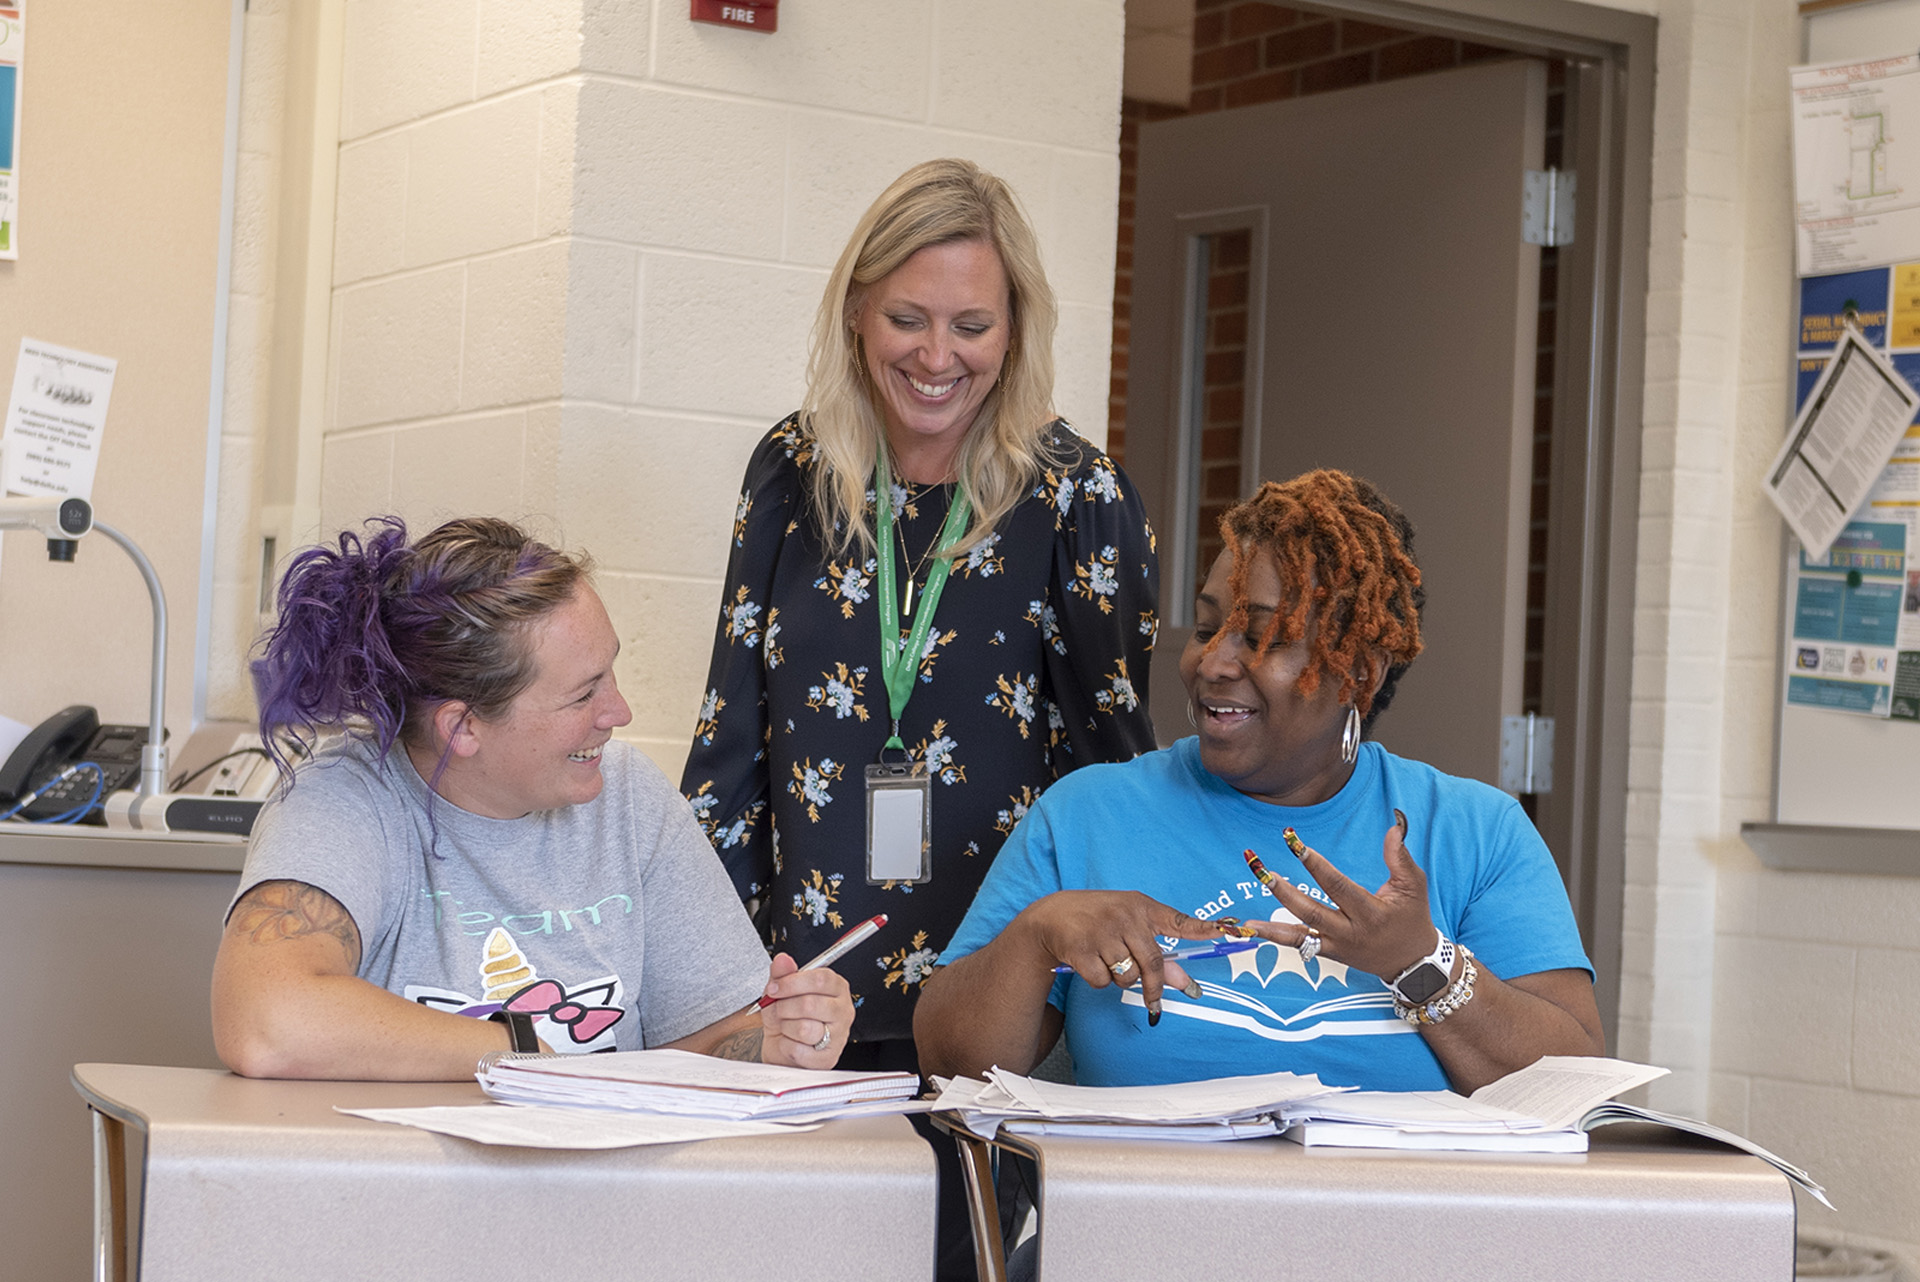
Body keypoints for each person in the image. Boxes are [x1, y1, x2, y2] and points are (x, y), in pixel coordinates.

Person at [680, 158, 1158, 1276]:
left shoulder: (1078, 499)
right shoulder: (790, 471)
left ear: (1016, 328)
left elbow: (1113, 773)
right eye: (907, 317)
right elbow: (730, 747)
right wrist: (715, 998)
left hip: (994, 1016)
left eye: (971, 325)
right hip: (805, 1007)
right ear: (856, 310)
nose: (937, 357)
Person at [915, 470, 1606, 1098]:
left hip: (1394, 1230)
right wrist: (1036, 937)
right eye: (1209, 627)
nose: (1213, 663)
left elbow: (1571, 1087)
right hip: (1144, 1224)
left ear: (1358, 672)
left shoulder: (1473, 830)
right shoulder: (1087, 816)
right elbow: (947, 1064)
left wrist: (1419, 962)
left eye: (1263, 639)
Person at [212, 516, 852, 1080]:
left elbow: (702, 1042)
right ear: (462, 727)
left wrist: (777, 1041)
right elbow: (267, 1022)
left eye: (611, 673)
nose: (619, 712)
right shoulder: (346, 799)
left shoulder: (627, 797)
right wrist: (521, 1052)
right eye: (583, 694)